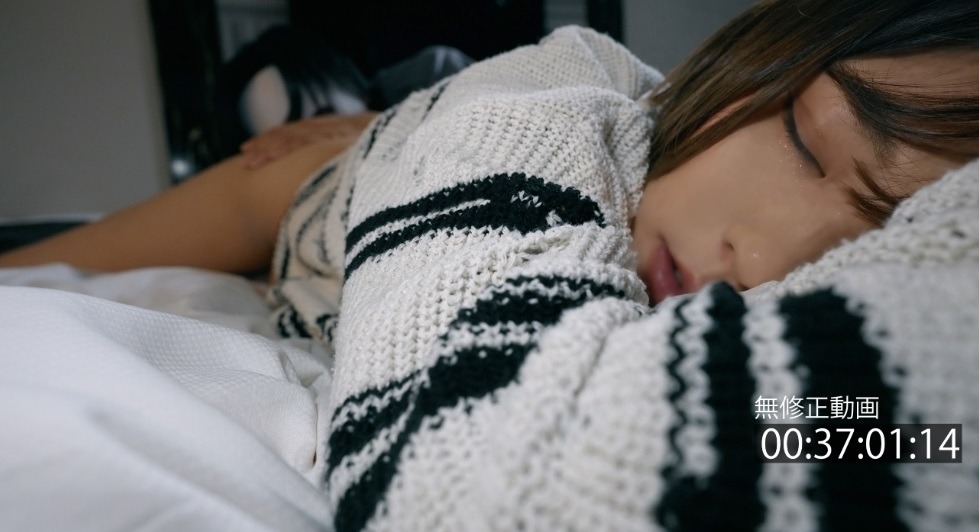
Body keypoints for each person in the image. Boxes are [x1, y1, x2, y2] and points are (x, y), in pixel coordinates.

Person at [1, 0, 977, 305]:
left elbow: (924, 437)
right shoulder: (551, 116)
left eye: (890, 239)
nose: (758, 262)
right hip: (308, 192)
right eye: (808, 145)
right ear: (757, 60)